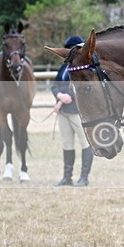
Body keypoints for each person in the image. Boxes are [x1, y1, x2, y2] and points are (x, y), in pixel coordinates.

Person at [52, 36, 94, 186]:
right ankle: (67, 177)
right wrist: (59, 95)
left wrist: (67, 96)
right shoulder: (64, 67)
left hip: (78, 111)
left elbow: (83, 86)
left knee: (85, 143)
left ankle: (84, 177)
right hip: (64, 112)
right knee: (67, 144)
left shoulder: (84, 67)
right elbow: (54, 86)